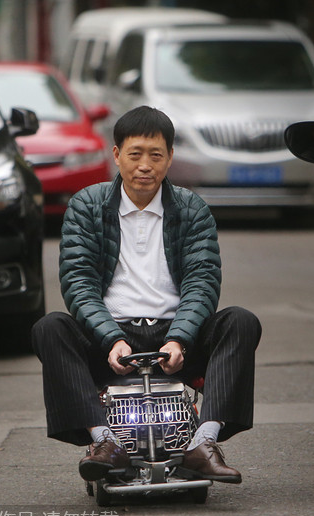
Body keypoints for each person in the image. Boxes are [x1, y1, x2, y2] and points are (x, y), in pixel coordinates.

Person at [31, 105, 261, 484]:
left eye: (156, 155)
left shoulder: (192, 209)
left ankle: (203, 444)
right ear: (117, 154)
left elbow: (202, 282)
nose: (145, 166)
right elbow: (78, 281)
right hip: (110, 338)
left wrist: (180, 339)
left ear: (170, 157)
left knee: (240, 321)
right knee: (50, 327)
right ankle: (104, 442)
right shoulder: (86, 206)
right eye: (135, 154)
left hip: (175, 337)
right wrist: (110, 337)